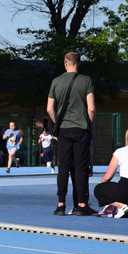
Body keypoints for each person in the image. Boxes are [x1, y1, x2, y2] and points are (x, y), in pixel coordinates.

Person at [46, 51, 97, 216]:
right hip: (81, 129)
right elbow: (91, 108)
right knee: (80, 168)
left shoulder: (56, 81)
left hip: (63, 130)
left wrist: (57, 123)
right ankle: (81, 204)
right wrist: (88, 123)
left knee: (63, 168)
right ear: (78, 63)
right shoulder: (86, 80)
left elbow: (49, 108)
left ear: (65, 63)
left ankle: (61, 204)